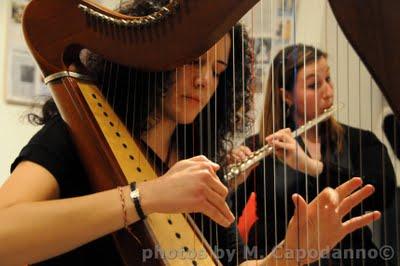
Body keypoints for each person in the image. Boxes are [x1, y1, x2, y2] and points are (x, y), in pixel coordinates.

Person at [0, 2, 381, 265]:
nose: (203, 82)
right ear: (151, 57)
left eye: (216, 71)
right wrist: (147, 195)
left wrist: (291, 253)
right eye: (191, 62)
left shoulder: (198, 159)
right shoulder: (77, 136)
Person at [233, 44, 397, 265]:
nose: (328, 92)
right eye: (314, 85)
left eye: (328, 79)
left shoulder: (360, 141)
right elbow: (225, 215)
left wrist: (311, 166)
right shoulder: (259, 146)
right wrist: (232, 182)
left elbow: (383, 195)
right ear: (286, 96)